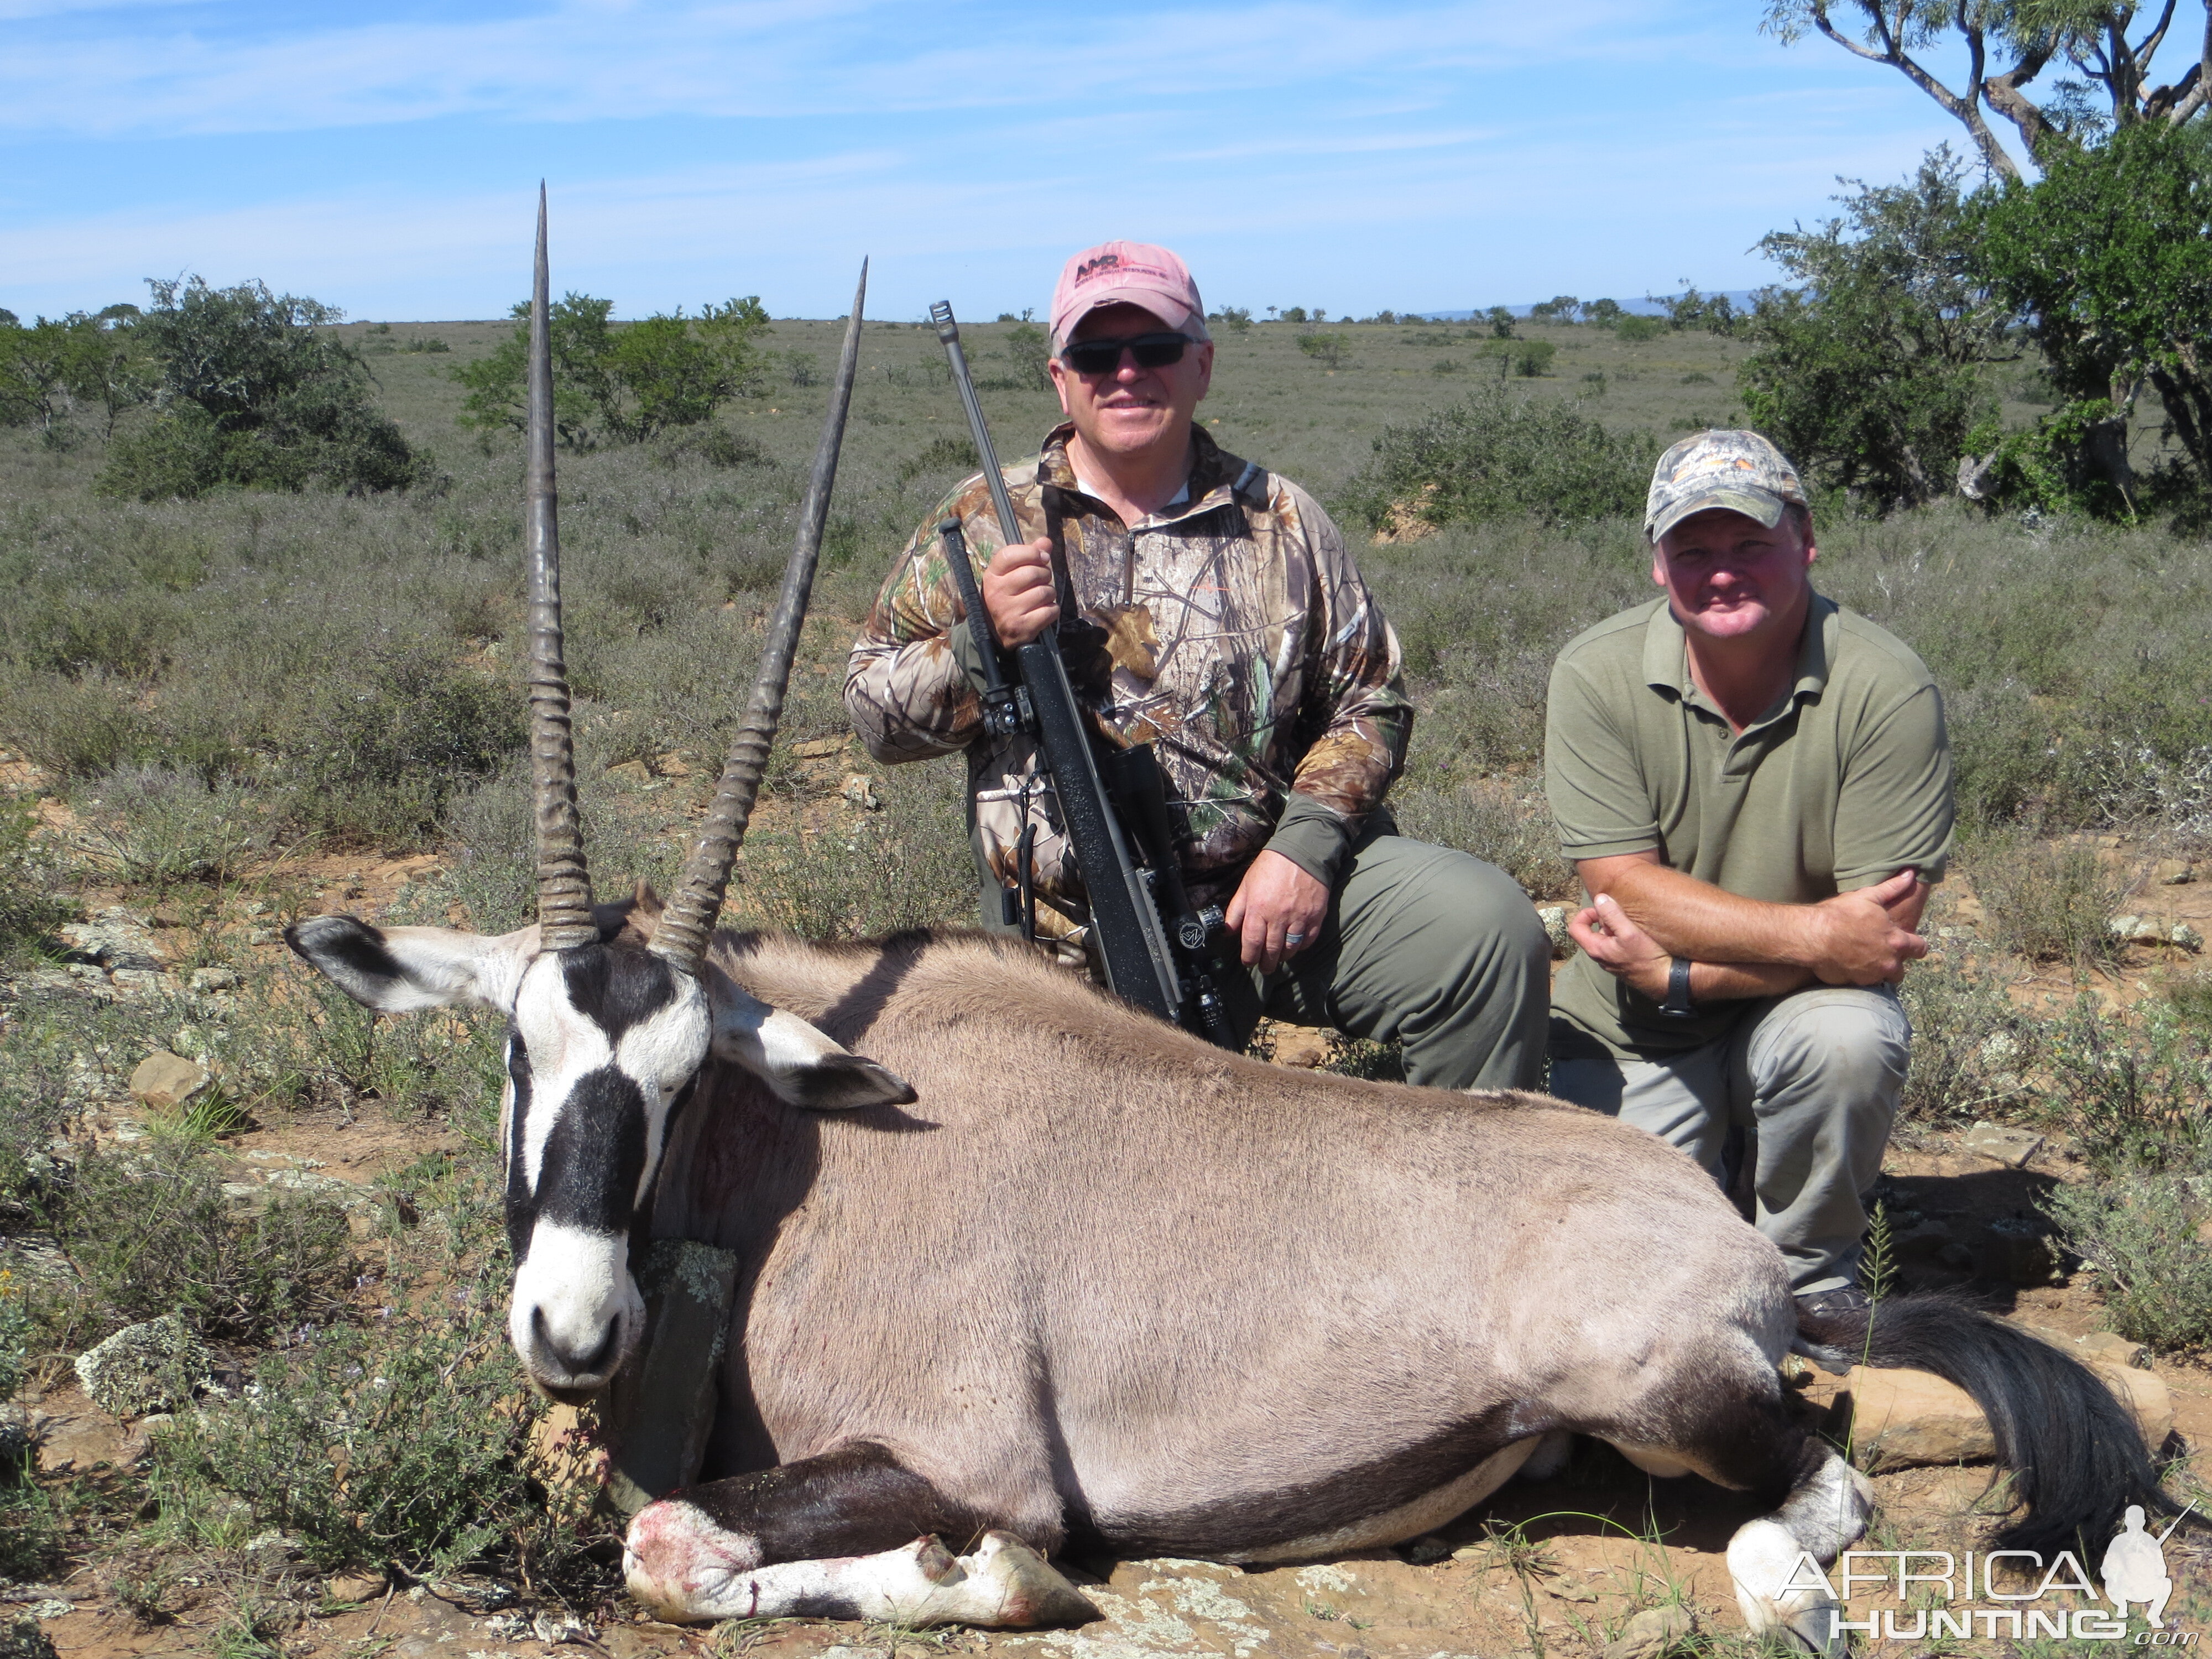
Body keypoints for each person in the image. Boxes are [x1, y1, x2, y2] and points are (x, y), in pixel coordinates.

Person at [844, 240, 1547, 1090]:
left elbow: (1372, 701)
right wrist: (977, 645)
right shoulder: (979, 521)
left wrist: (1306, 850)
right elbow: (872, 718)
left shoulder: (1281, 516)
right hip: (1072, 942)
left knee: (1483, 930)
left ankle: (1459, 1208)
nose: (1127, 373)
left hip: (1272, 907)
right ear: (1060, 377)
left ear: (1202, 365)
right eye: (1097, 354)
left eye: (1157, 349)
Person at [1542, 430, 1953, 1312]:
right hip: (1635, 1021)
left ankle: (1811, 1279)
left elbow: (1878, 942)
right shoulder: (1596, 673)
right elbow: (1626, 884)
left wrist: (1683, 968)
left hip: (1785, 1009)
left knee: (1849, 1041)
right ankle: (1728, 1160)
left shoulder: (1887, 687)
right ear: (1659, 566)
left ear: (1804, 542)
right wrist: (1813, 933)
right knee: (1614, 1283)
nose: (1722, 571)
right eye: (1692, 550)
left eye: (1750, 544)